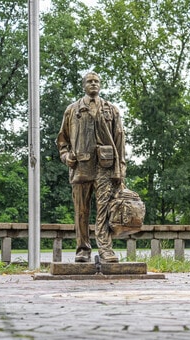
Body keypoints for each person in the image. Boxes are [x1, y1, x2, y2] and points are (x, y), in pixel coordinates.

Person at [57, 72, 126, 263]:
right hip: (81, 166)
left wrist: (121, 167)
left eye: (96, 81)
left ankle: (105, 248)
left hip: (105, 167)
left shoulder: (111, 110)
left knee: (104, 208)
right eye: (89, 81)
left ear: (101, 85)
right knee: (81, 210)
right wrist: (65, 156)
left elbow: (120, 139)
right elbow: (62, 139)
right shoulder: (72, 110)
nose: (93, 84)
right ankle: (82, 249)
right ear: (83, 85)